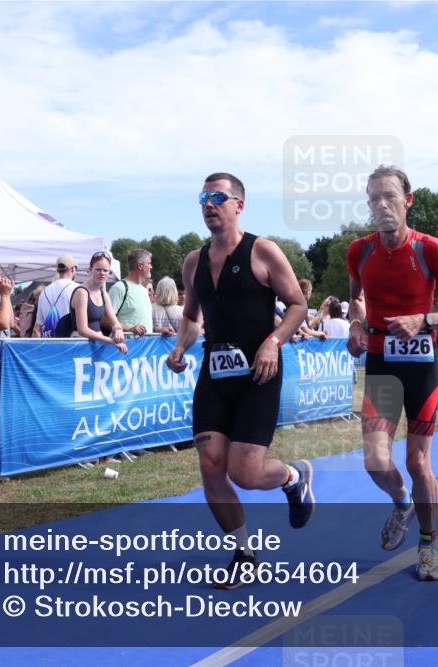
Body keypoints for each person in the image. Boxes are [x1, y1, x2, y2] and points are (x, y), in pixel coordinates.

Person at [166, 172, 313, 589]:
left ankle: (294, 477)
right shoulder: (193, 261)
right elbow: (193, 318)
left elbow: (299, 306)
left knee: (245, 473)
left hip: (259, 373)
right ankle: (244, 554)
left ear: (238, 205)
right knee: (211, 466)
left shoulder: (263, 251)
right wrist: (180, 347)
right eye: (203, 197)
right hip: (216, 372)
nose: (209, 204)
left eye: (218, 197)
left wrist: (273, 341)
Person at [346, 165, 438, 582]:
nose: (382, 206)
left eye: (390, 197)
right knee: (376, 460)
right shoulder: (358, 251)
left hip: (421, 366)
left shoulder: (430, 248)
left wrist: (425, 319)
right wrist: (357, 325)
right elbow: (355, 301)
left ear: (408, 199)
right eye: (374, 199)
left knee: (418, 463)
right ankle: (402, 503)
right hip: (382, 365)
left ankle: (429, 546)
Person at [67, 252, 128, 353]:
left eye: (105, 270)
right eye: (98, 269)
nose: (102, 273)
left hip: (97, 346)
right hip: (81, 346)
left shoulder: (104, 295)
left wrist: (118, 330)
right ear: (90, 270)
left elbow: (115, 322)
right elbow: (83, 330)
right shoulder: (82, 292)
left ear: (109, 272)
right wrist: (110, 341)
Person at [109, 248, 156, 336]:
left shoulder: (144, 289)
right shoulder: (120, 288)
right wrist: (129, 329)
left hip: (145, 347)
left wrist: (159, 330)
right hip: (127, 347)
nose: (151, 267)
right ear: (140, 266)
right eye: (149, 263)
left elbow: (143, 323)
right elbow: (105, 320)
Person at [34, 255, 79, 337]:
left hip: (49, 344)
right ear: (73, 269)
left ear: (57, 270)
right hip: (71, 344)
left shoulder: (44, 292)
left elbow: (37, 329)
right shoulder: (78, 289)